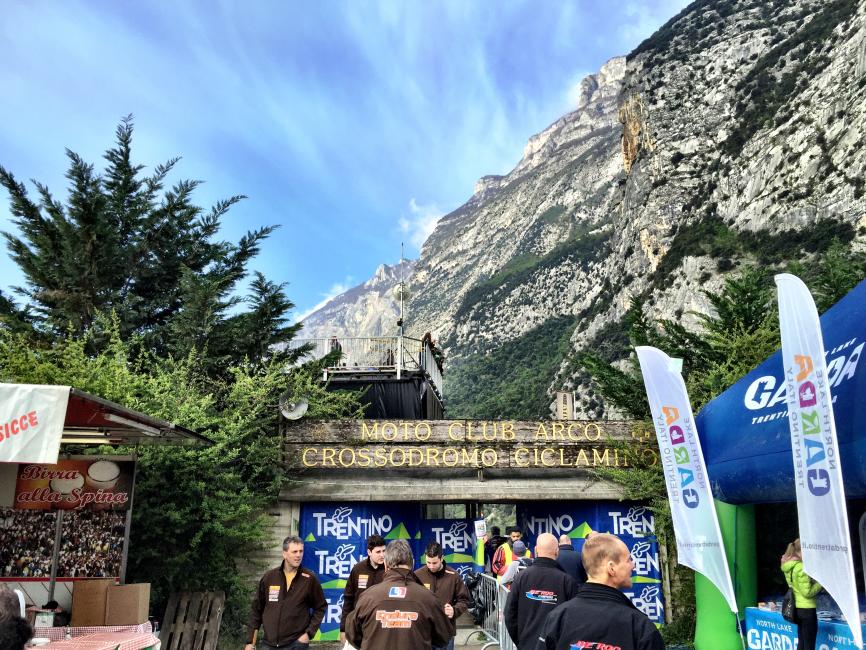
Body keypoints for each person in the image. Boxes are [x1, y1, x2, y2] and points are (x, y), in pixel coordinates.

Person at [538, 532, 664, 650]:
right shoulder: (639, 626)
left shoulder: (557, 617)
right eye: (628, 560)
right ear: (611, 568)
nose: (633, 565)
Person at [345, 539, 451, 650]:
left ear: (386, 565)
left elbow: (353, 635)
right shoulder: (429, 598)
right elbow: (443, 636)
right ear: (412, 563)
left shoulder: (367, 597)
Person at [246, 535, 327, 650]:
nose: (298, 555)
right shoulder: (269, 577)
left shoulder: (309, 579)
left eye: (301, 551)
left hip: (296, 644)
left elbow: (321, 607)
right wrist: (250, 642)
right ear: (284, 554)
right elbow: (257, 610)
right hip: (269, 644)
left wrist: (308, 634)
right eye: (294, 552)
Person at [504, 533, 577, 650]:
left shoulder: (521, 577)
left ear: (536, 549)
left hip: (526, 644)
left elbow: (509, 614)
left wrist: (521, 641)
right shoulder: (567, 581)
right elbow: (573, 621)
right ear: (557, 551)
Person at [414, 541, 471, 650]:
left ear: (442, 558)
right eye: (428, 562)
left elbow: (464, 600)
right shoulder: (417, 575)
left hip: (446, 632)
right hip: (424, 632)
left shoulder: (453, 576)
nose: (431, 566)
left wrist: (454, 610)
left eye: (434, 563)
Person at [340, 534, 387, 643]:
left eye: (384, 551)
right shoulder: (357, 569)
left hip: (382, 626)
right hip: (359, 626)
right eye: (378, 552)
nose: (382, 555)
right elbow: (348, 599)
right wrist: (343, 629)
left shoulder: (389, 570)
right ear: (369, 552)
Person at [781, 538, 822, 650]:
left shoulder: (788, 565)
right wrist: (820, 583)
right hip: (807, 610)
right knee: (809, 645)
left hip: (797, 609)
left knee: (802, 642)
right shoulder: (801, 567)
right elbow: (807, 592)